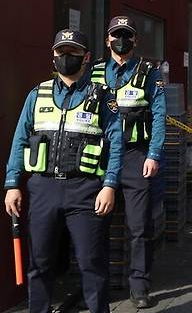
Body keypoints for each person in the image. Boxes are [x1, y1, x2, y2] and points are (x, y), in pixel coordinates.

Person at [4, 29, 123, 313]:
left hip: (86, 191)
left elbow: (116, 142)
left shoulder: (103, 97)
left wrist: (109, 184)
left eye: (73, 53)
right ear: (53, 55)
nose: (66, 58)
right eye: (61, 52)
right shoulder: (37, 95)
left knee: (91, 264)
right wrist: (12, 183)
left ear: (86, 58)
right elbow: (20, 139)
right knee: (40, 263)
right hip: (43, 189)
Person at [90, 16, 166, 308]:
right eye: (116, 35)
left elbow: (160, 114)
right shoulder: (94, 71)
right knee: (96, 226)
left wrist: (154, 154)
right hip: (100, 154)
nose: (121, 40)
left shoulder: (148, 72)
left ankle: (139, 287)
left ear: (135, 40)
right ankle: (100, 285)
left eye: (127, 35)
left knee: (139, 227)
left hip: (136, 156)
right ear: (108, 40)